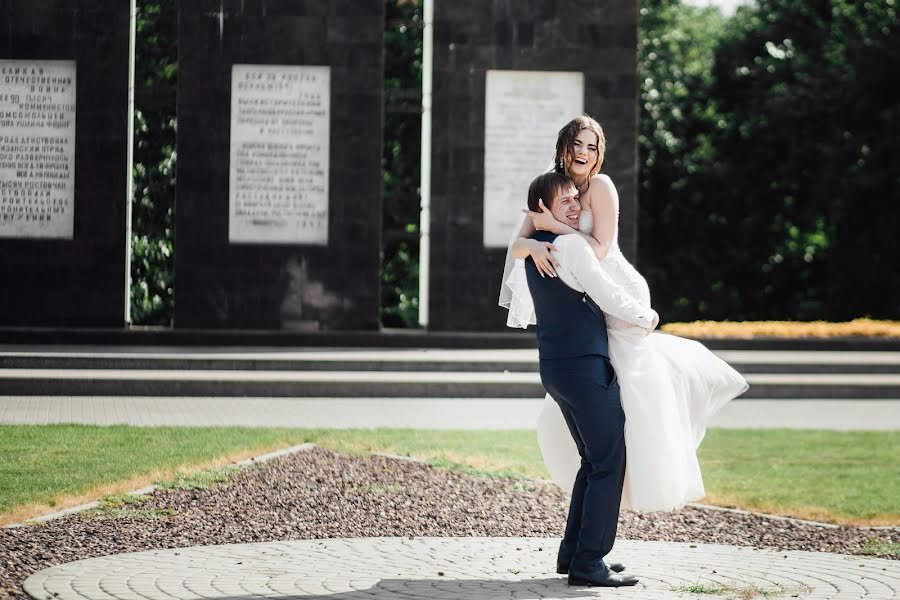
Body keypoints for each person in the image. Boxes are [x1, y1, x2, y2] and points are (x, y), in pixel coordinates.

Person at [498, 115, 748, 513]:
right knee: (605, 395)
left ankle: (641, 467)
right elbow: (516, 245)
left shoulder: (601, 186)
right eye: (577, 144)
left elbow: (598, 250)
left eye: (591, 146)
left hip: (617, 290)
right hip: (591, 296)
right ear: (564, 146)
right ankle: (605, 474)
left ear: (599, 154)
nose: (583, 152)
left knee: (632, 387)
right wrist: (535, 246)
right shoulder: (551, 185)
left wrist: (553, 230)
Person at [522, 171, 653, 587]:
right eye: (565, 202)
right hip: (584, 368)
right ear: (543, 209)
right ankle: (589, 562)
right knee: (609, 461)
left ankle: (572, 553)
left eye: (575, 199)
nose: (576, 206)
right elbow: (603, 290)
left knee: (592, 460)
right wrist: (643, 315)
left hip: (556, 367)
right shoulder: (572, 246)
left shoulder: (534, 251)